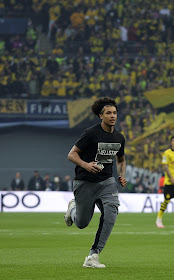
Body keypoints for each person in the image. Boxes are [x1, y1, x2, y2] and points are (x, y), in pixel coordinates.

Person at [64, 97, 127, 268]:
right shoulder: (91, 133)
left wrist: (122, 174)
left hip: (107, 182)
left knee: (111, 213)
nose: (112, 116)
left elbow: (121, 160)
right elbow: (72, 154)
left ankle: (93, 255)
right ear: (101, 116)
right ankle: (73, 208)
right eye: (108, 113)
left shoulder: (119, 138)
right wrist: (85, 164)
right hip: (85, 182)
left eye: (114, 113)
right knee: (82, 223)